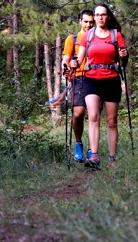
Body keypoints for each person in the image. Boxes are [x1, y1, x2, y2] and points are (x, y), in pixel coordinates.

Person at [74, 4, 128, 170]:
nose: (100, 17)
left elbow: (123, 62)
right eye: (97, 15)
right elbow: (79, 60)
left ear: (108, 16)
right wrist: (72, 63)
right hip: (91, 80)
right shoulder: (88, 36)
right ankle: (94, 156)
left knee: (111, 121)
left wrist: (124, 56)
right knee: (93, 117)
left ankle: (112, 159)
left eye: (103, 14)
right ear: (95, 17)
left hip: (111, 79)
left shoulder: (116, 35)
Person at [62, 9, 94, 162]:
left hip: (96, 78)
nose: (88, 25)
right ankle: (79, 143)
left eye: (91, 22)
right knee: (78, 113)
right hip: (79, 78)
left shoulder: (98, 38)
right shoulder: (72, 39)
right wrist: (66, 67)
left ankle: (92, 150)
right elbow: (66, 58)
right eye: (86, 21)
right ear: (80, 21)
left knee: (94, 116)